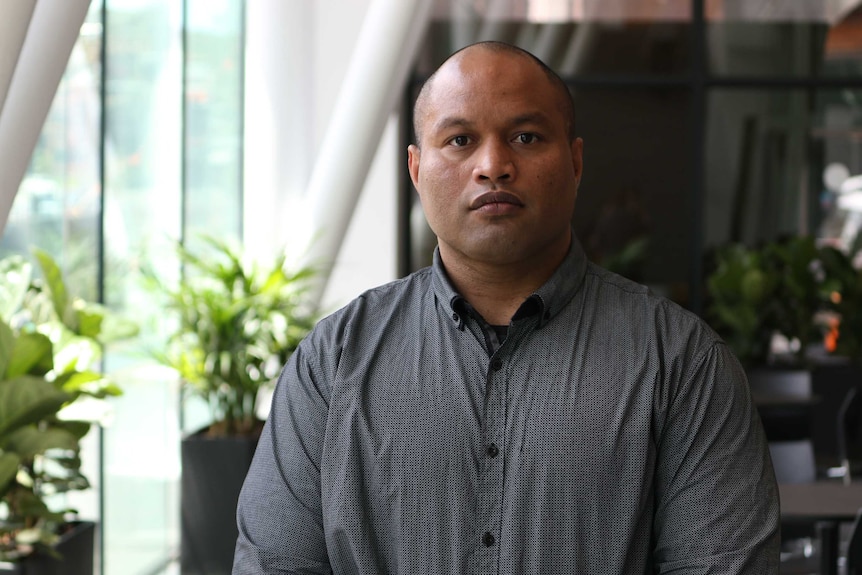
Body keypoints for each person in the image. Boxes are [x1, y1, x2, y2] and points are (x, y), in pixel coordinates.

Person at [232, 40, 780, 574]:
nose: (493, 165)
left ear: (575, 161)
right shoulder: (333, 363)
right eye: (460, 140)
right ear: (416, 169)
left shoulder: (683, 362)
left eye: (525, 136)